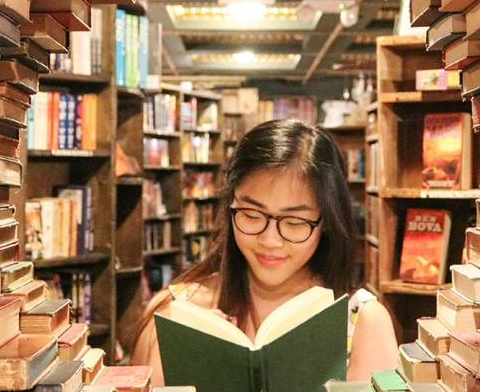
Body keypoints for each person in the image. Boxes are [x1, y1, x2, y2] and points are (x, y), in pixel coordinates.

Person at [131, 119, 399, 386]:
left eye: (294, 223)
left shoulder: (364, 323)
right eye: (252, 215)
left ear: (327, 221)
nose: (270, 241)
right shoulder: (176, 311)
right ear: (230, 206)